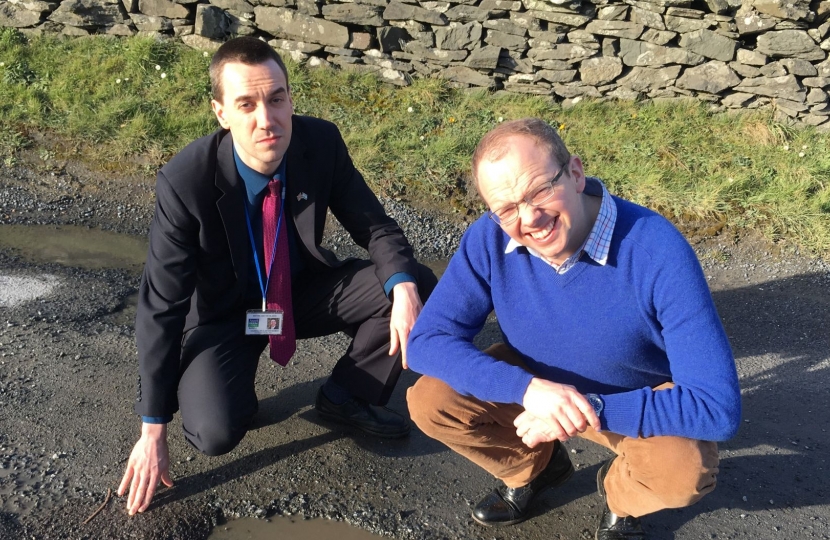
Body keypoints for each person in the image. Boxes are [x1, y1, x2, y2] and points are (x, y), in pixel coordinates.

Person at [118, 36, 437, 516]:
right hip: (224, 316)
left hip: (298, 292)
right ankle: (231, 393)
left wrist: (405, 287)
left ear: (291, 97)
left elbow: (376, 227)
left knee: (413, 283)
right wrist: (152, 428)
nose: (266, 119)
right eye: (246, 104)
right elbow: (161, 307)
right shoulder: (185, 183)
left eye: (276, 98)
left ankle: (346, 394)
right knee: (216, 431)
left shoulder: (321, 143)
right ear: (220, 112)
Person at [406, 118, 741, 538]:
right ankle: (536, 469)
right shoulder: (488, 239)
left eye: (540, 190)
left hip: (632, 396)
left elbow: (718, 408)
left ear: (576, 174)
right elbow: (425, 343)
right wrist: (528, 391)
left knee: (683, 472)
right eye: (506, 208)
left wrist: (591, 410)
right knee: (431, 401)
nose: (529, 217)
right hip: (538, 390)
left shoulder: (657, 251)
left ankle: (621, 499)